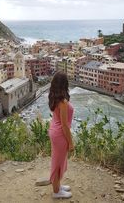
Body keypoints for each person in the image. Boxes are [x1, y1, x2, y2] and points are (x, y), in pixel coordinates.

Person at [48, 71, 74, 199]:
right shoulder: (62, 102)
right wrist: (71, 142)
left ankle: (57, 186)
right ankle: (56, 191)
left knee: (58, 160)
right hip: (60, 134)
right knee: (58, 163)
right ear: (64, 84)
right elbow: (64, 125)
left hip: (54, 131)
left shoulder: (55, 98)